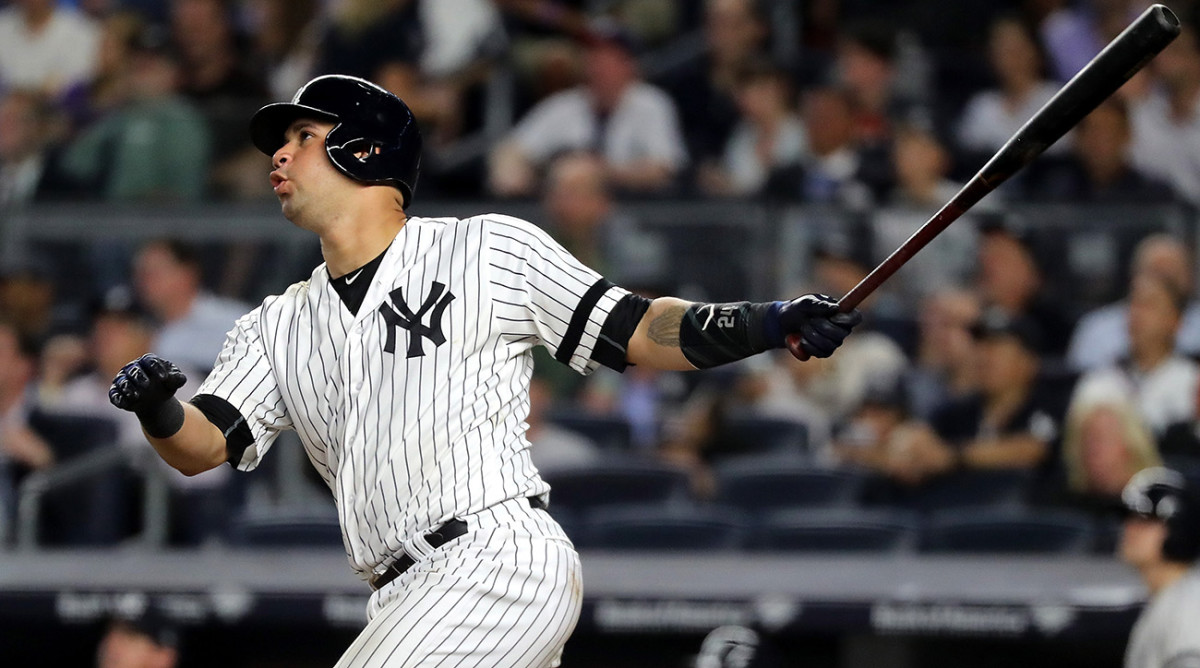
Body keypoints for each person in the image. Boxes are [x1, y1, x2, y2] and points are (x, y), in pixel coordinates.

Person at [107, 74, 861, 667]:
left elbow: (637, 329)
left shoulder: (484, 249)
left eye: (303, 135)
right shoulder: (275, 324)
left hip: (490, 561)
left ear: (364, 151)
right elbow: (203, 445)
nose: (278, 153)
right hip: (400, 594)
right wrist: (159, 410)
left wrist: (768, 320)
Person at [1119, 467, 1200, 668]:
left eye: (1145, 521)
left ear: (1178, 532)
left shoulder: (1188, 610)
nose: (1129, 529)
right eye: (1131, 518)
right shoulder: (1169, 598)